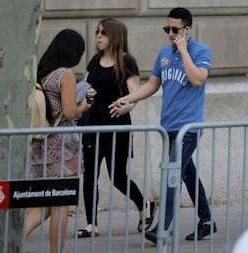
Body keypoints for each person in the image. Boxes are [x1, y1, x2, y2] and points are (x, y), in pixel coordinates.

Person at [110, 7, 217, 244]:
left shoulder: (201, 51)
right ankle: (207, 221)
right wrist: (128, 99)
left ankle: (162, 229)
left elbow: (198, 79)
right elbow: (152, 85)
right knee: (187, 174)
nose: (170, 33)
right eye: (167, 28)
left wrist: (183, 50)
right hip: (168, 127)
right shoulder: (163, 54)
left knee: (171, 174)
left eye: (175, 29)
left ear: (187, 30)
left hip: (188, 129)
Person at [76, 18, 157, 238]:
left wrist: (126, 107)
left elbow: (135, 93)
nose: (99, 36)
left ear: (115, 36)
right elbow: (83, 85)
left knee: (118, 177)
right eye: (97, 32)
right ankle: (91, 224)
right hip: (92, 126)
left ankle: (144, 206)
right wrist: (85, 91)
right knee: (90, 174)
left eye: (103, 33)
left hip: (117, 127)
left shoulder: (126, 62)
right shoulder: (94, 60)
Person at [26, 29, 90, 253]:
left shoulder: (42, 73)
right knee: (61, 204)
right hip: (64, 146)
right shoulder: (66, 75)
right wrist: (85, 106)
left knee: (45, 203)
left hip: (41, 143)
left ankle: (9, 240)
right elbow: (71, 112)